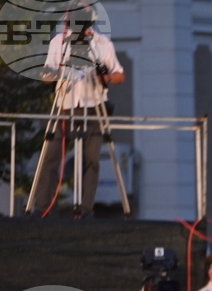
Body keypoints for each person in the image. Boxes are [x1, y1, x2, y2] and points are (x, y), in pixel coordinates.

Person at [32, 1, 125, 217]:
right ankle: (42, 207)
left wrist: (106, 76)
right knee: (51, 155)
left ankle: (85, 209)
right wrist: (54, 73)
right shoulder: (59, 42)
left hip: (94, 107)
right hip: (65, 106)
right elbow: (47, 74)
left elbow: (119, 74)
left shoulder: (102, 44)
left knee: (91, 160)